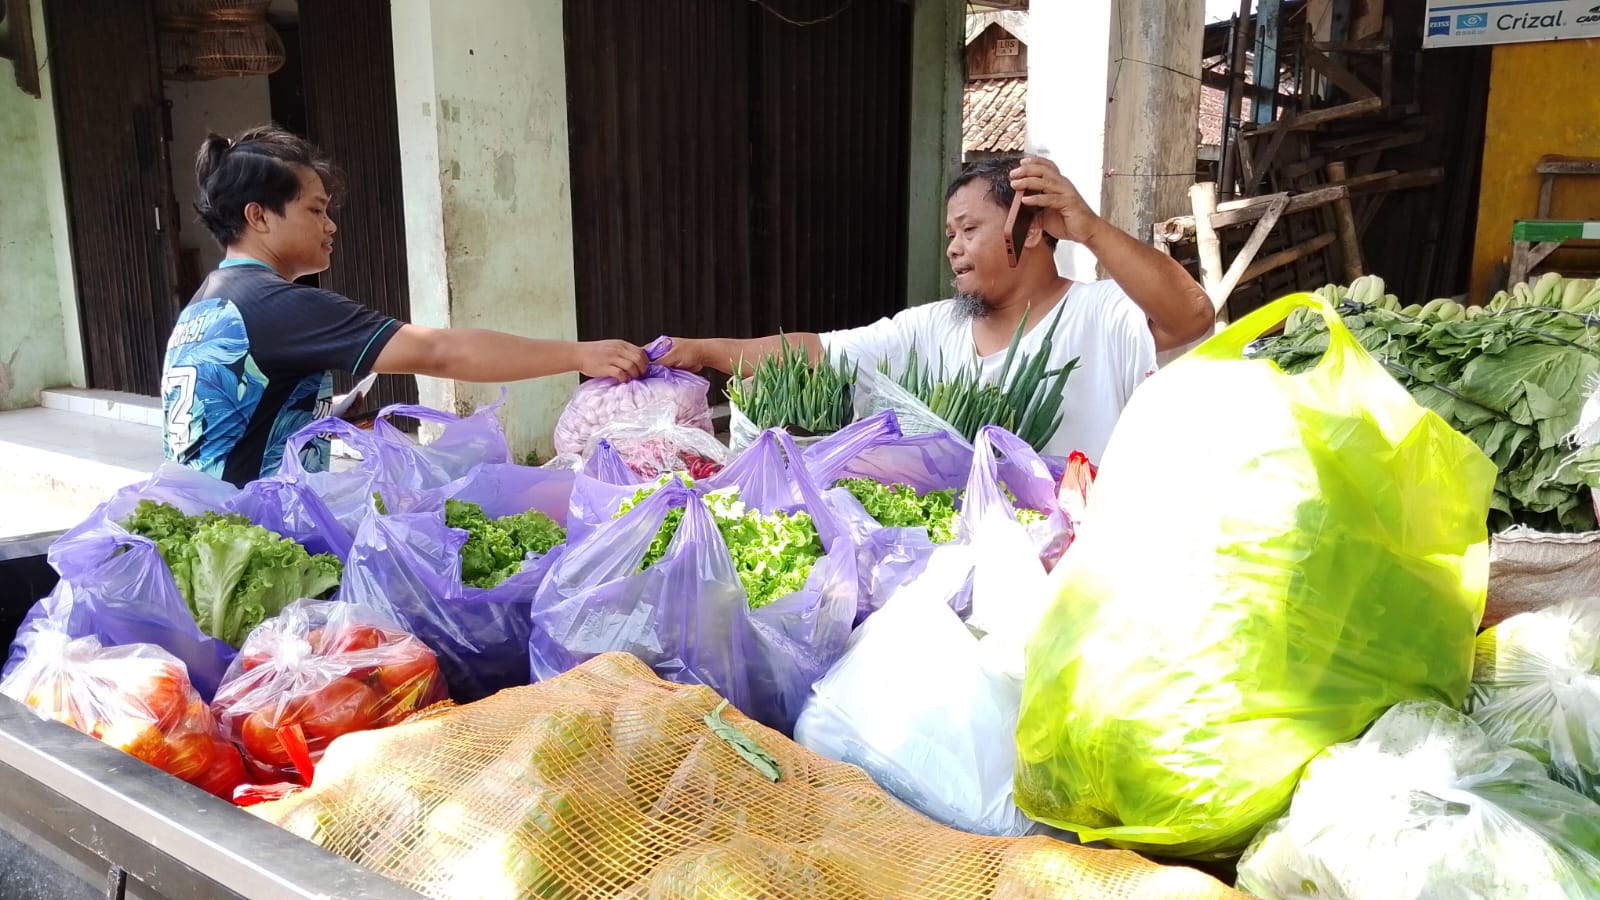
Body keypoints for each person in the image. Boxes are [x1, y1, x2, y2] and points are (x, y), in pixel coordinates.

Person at [161, 125, 648, 487]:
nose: (330, 225)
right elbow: (439, 352)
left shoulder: (208, 302)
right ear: (258, 216)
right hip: (250, 534)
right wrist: (580, 355)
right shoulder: (278, 306)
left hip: (206, 530)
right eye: (315, 209)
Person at [657, 155, 1213, 462]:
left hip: (1073, 569)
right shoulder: (932, 327)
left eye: (969, 229)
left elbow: (1192, 315)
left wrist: (1089, 229)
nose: (952, 247)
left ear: (1033, 228)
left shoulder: (1100, 312)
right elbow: (818, 351)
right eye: (950, 233)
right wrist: (704, 350)